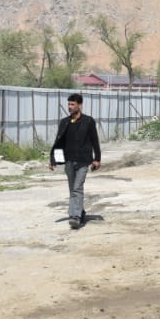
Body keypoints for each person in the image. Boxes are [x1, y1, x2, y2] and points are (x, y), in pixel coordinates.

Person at [49, 93, 101, 230]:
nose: (70, 107)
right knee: (72, 189)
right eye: (69, 104)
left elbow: (95, 141)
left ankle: (75, 217)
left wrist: (97, 159)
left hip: (83, 161)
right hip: (69, 161)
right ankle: (81, 212)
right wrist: (53, 160)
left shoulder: (88, 121)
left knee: (77, 188)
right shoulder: (65, 122)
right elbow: (59, 142)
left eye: (72, 104)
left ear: (80, 105)